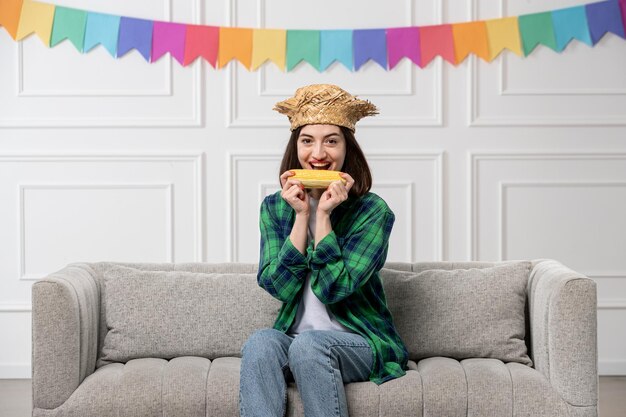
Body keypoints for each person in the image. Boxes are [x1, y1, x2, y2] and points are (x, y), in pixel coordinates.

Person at [239, 84, 408, 417]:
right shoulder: (275, 207)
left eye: (331, 140)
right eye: (307, 141)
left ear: (347, 150)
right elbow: (279, 286)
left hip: (360, 341)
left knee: (309, 346)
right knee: (261, 341)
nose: (318, 153)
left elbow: (333, 289)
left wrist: (324, 216)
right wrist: (302, 217)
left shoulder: (372, 212)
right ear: (295, 148)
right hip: (297, 337)